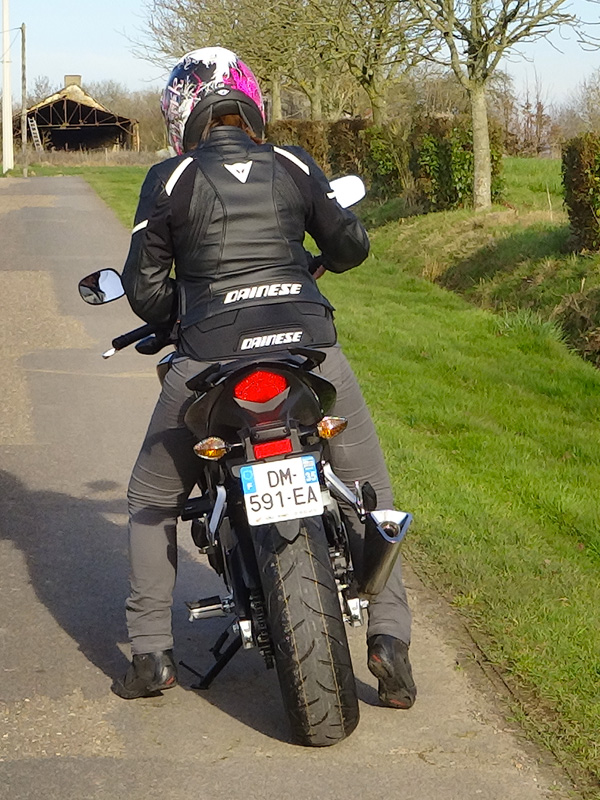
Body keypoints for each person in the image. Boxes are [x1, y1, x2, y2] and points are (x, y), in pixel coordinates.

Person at [112, 46, 416, 709]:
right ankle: (389, 642)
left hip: (210, 356)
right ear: (251, 104)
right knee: (368, 485)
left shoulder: (169, 179)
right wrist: (316, 255)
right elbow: (351, 247)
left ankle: (151, 657)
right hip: (307, 349)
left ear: (182, 114)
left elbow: (143, 289)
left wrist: (178, 317)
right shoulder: (294, 163)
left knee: (153, 498)